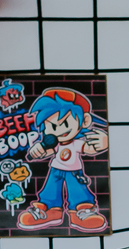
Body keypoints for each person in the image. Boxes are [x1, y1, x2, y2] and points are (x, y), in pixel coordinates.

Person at [17, 87, 109, 232]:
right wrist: (38, 151)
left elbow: (89, 149)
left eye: (65, 124)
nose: (58, 131)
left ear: (84, 121)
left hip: (74, 171)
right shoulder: (55, 143)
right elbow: (47, 151)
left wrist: (104, 143)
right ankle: (49, 211)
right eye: (52, 126)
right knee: (50, 190)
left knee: (78, 191)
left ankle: (81, 212)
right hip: (55, 170)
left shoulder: (77, 143)